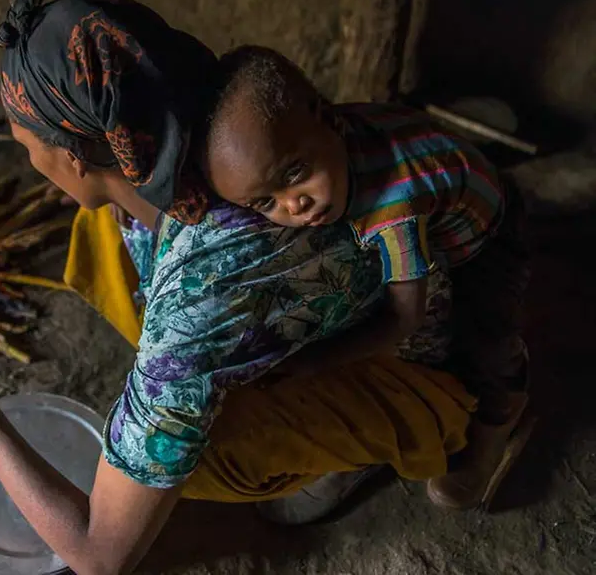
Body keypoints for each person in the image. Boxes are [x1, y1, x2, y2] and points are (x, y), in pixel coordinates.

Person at [0, 0, 474, 574]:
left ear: (73, 158)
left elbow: (98, 556)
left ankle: (394, 436)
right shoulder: (234, 129)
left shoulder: (202, 297)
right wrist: (99, 193)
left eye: (28, 147)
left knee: (203, 450)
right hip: (364, 289)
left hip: (409, 348)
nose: (31, 166)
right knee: (101, 226)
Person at [200, 45, 532, 510]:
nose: (294, 205)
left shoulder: (392, 211)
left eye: (295, 174)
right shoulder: (323, 138)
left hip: (487, 235)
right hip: (441, 195)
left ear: (328, 119)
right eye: (266, 203)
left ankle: (501, 419)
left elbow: (405, 318)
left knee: (487, 336)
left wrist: (318, 361)